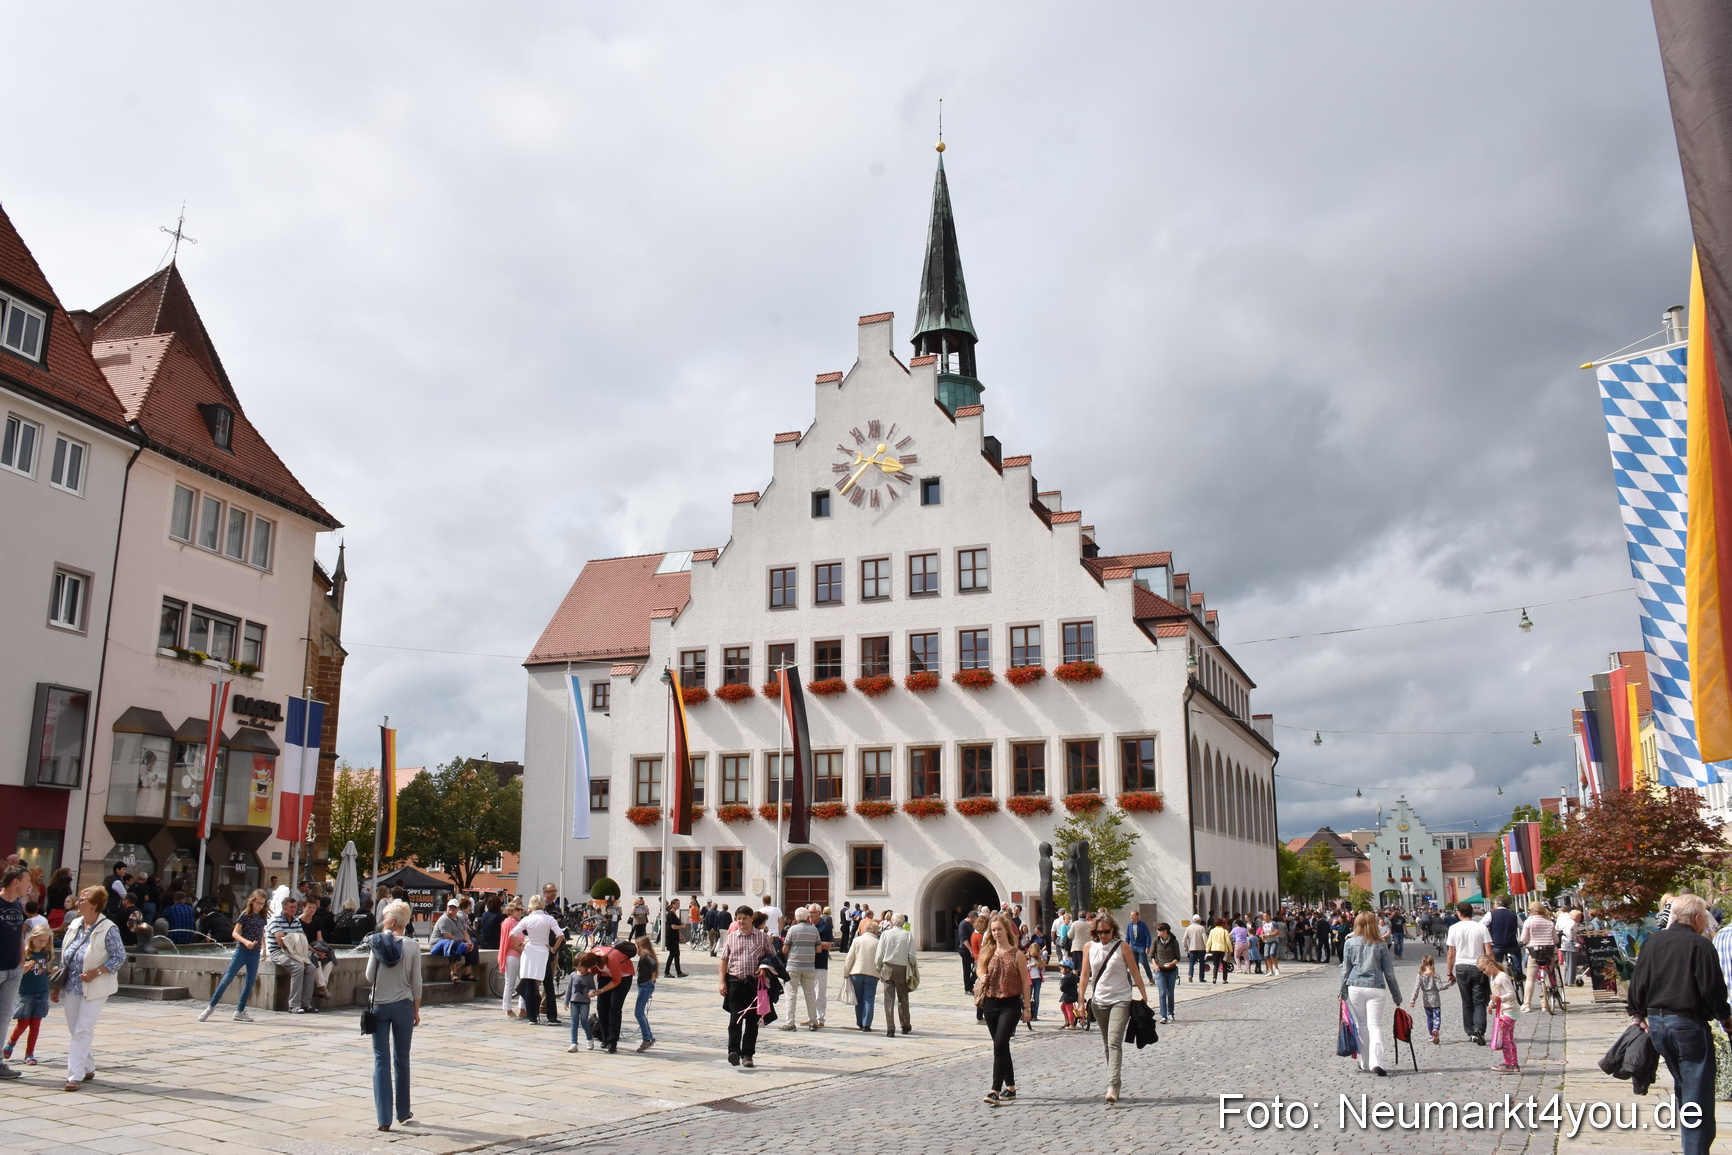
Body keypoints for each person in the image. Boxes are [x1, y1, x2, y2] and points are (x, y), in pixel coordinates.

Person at [1629, 891, 1730, 1155]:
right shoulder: (1700, 945)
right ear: (1696, 918)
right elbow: (1712, 990)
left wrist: (1638, 1015)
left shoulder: (1653, 942)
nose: (1705, 925)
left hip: (1659, 1026)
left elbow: (1638, 982)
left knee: (1684, 1089)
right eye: (1704, 919)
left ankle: (1692, 1145)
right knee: (1697, 1094)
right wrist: (1725, 1017)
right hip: (1688, 1024)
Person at [52, 885, 124, 1091]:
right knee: (75, 1028)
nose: (78, 903)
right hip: (72, 984)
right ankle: (88, 1066)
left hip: (95, 987)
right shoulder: (75, 923)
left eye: (83, 900)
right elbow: (66, 955)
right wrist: (57, 985)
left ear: (94, 905)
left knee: (83, 1029)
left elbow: (119, 957)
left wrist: (97, 971)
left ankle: (74, 1075)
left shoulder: (108, 928)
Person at [1077, 914, 1149, 1104]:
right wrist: (1081, 1001)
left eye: (1106, 931)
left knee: (1114, 1041)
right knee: (1108, 1042)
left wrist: (1143, 994)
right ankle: (1114, 1080)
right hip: (1099, 1001)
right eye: (1099, 932)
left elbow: (1134, 971)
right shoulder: (1089, 947)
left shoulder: (1122, 946)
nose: (1103, 935)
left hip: (1121, 1000)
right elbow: (1084, 975)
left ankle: (1113, 1085)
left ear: (1113, 930)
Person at [367, 900, 423, 1132]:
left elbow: (370, 976)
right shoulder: (412, 946)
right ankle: (402, 1111)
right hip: (404, 1005)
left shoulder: (377, 942)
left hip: (380, 1005)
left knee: (381, 1060)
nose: (381, 921)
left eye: (383, 918)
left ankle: (383, 1118)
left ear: (391, 922)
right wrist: (417, 1010)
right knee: (402, 1058)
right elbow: (416, 981)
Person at [975, 913, 1032, 1106]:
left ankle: (995, 1090)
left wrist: (1027, 1007)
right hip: (990, 1003)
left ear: (1007, 930)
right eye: (993, 930)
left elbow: (1026, 982)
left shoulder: (1017, 954)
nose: (996, 933)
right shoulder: (988, 950)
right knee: (1002, 1045)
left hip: (1010, 1004)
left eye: (999, 929)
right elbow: (979, 968)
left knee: (999, 1044)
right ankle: (1011, 1087)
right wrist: (982, 976)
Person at [1340, 911, 1401, 1077]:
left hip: (1355, 986)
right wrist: (1396, 995)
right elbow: (1389, 972)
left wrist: (1342, 991)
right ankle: (1378, 1062)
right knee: (1374, 1026)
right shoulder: (1380, 944)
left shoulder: (1350, 943)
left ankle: (1364, 1061)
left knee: (1361, 1025)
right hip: (1376, 986)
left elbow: (1346, 969)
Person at [199, 890, 269, 1023]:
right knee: (227, 978)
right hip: (242, 951)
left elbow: (261, 932)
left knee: (249, 983)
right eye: (258, 903)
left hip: (254, 953)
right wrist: (245, 942)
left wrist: (264, 948)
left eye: (263, 903)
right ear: (252, 901)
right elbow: (235, 933)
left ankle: (240, 1011)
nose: (260, 906)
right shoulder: (245, 915)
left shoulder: (262, 916)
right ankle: (210, 1007)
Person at [718, 904, 773, 1067]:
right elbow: (723, 960)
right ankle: (733, 1051)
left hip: (755, 984)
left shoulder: (762, 937)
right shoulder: (731, 937)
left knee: (752, 1021)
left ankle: (748, 1054)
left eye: (744, 918)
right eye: (739, 918)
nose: (741, 921)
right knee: (735, 1018)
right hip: (735, 982)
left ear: (751, 919)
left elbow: (772, 957)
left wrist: (764, 969)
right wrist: (722, 982)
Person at [1445, 899, 1494, 1044]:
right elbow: (1489, 951)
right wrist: (1493, 968)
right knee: (1479, 1001)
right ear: (1472, 913)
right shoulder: (1480, 928)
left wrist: (1449, 973)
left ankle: (1471, 1032)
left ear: (1459, 913)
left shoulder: (1453, 928)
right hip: (1478, 966)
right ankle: (1479, 1029)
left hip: (1461, 966)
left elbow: (1450, 954)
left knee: (1466, 1001)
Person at [4, 923, 51, 1066]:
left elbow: (45, 972)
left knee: (36, 1024)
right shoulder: (26, 953)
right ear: (32, 938)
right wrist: (24, 968)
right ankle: (11, 1043)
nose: (42, 944)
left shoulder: (46, 954)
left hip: (42, 992)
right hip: (26, 993)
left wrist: (53, 973)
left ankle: (30, 1053)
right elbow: (18, 975)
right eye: (39, 940)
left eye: (45, 941)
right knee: (23, 1023)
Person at [512, 895, 562, 1025]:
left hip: (529, 951)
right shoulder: (549, 918)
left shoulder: (527, 919)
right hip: (542, 951)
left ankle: (532, 1017)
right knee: (548, 984)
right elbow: (560, 935)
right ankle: (551, 1016)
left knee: (529, 983)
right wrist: (553, 948)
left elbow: (512, 934)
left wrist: (521, 945)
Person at [0, 865, 29, 1081]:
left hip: (13, 969)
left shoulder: (18, 905)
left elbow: (19, 932)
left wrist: (22, 957)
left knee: (4, 1017)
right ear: (15, 882)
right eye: (27, 882)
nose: (29, 887)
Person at [266, 896, 315, 1014]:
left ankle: (306, 1003)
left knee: (311, 968)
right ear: (284, 908)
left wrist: (291, 939)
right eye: (291, 907)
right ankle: (293, 1005)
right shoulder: (276, 920)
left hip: (294, 952)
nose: (294, 910)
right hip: (278, 952)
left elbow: (302, 938)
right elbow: (281, 942)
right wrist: (293, 939)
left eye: (295, 907)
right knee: (298, 967)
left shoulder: (296, 920)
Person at [874, 908, 916, 1038]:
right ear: (903, 923)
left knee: (889, 999)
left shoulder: (886, 934)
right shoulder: (907, 935)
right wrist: (912, 967)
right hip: (902, 968)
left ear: (892, 922)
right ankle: (905, 1025)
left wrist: (879, 967)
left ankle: (890, 1028)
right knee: (903, 998)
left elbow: (879, 954)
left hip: (887, 967)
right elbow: (912, 956)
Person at [781, 907, 822, 1031]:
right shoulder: (814, 929)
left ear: (796, 917)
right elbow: (819, 949)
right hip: (809, 966)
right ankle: (813, 1021)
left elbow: (785, 949)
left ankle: (790, 1023)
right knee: (810, 994)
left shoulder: (792, 929)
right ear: (807, 917)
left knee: (791, 994)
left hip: (793, 966)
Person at [594, 938, 636, 1053]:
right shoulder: (591, 956)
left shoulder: (612, 958)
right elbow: (588, 973)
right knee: (601, 1007)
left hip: (623, 977)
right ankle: (604, 1037)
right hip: (605, 977)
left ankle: (612, 1041)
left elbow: (616, 981)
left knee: (614, 1008)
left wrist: (601, 990)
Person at [843, 916, 882, 1031]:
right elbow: (880, 959)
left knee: (858, 999)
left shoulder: (857, 940)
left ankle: (860, 1022)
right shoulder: (878, 942)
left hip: (856, 972)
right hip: (872, 974)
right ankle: (867, 1024)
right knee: (869, 998)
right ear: (876, 931)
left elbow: (849, 958)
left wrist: (846, 972)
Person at [1483, 955, 1520, 1071]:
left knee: (1505, 1038)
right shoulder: (1493, 978)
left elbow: (1512, 994)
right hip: (1504, 1011)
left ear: (1491, 964)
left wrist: (1500, 1000)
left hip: (1509, 1011)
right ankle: (1513, 1062)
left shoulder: (1502, 977)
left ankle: (1510, 1063)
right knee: (1508, 1038)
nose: (1484, 972)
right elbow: (1496, 994)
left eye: (1484, 969)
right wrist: (1491, 1004)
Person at [430, 899, 475, 984]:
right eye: (450, 907)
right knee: (453, 943)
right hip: (438, 944)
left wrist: (469, 942)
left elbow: (465, 932)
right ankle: (453, 973)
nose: (451, 909)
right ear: (447, 907)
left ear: (458, 909)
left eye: (454, 907)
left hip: (458, 942)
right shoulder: (444, 919)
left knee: (474, 943)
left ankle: (467, 973)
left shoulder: (460, 919)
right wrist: (462, 943)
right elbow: (447, 936)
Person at [565, 952, 601, 1052]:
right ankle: (574, 1043)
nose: (578, 969)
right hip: (573, 1002)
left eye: (581, 967)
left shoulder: (589, 976)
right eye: (577, 966)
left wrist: (591, 992)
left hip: (584, 1002)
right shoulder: (573, 975)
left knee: (584, 1020)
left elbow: (592, 988)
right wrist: (566, 1002)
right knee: (574, 1022)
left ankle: (589, 1039)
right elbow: (569, 989)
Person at [1410, 953, 1445, 1045]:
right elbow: (1440, 987)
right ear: (1433, 964)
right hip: (1435, 999)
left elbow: (1416, 988)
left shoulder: (1420, 975)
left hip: (1425, 999)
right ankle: (1435, 1029)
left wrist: (1412, 1000)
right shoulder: (1435, 975)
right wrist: (1450, 983)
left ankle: (1430, 1034)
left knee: (1429, 1017)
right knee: (1437, 1016)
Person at [632, 935, 659, 1051]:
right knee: (641, 1012)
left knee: (638, 1012)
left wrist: (652, 978)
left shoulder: (645, 956)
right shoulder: (645, 956)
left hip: (645, 985)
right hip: (645, 985)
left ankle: (646, 1038)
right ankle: (649, 1036)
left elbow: (653, 964)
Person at [499, 899, 525, 1017]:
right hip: (512, 955)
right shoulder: (507, 922)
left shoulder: (517, 922)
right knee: (510, 982)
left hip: (520, 954)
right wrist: (523, 949)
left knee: (523, 981)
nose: (519, 912)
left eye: (521, 909)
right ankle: (508, 1008)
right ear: (511, 910)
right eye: (517, 909)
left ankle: (522, 1008)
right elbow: (510, 941)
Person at [1152, 922, 1181, 1023]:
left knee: (1170, 993)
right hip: (1159, 971)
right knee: (1162, 993)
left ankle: (1170, 1014)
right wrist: (1155, 966)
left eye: (1159, 930)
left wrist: (1171, 964)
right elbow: (1152, 955)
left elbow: (1178, 957)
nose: (1157, 932)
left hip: (1171, 971)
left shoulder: (1173, 941)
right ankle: (1163, 1016)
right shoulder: (1156, 941)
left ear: (1165, 931)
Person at [1125, 911, 1154, 982]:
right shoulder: (1129, 925)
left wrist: (1147, 946)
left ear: (1137, 916)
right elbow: (1127, 937)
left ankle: (1150, 978)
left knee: (1144, 962)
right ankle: (1137, 980)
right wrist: (1126, 946)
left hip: (1141, 947)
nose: (1131, 917)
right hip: (1133, 947)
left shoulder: (1142, 925)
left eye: (1133, 915)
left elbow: (1148, 936)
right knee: (1134, 964)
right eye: (1131, 915)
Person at [662, 900, 686, 979]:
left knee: (676, 955)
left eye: (679, 903)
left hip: (675, 936)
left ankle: (679, 972)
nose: (679, 905)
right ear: (673, 905)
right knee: (672, 954)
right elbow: (673, 926)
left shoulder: (674, 913)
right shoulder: (670, 914)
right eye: (677, 904)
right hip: (671, 937)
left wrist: (681, 936)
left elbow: (676, 928)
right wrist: (682, 927)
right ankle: (666, 972)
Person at [1206, 918, 1232, 983]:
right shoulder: (1224, 931)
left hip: (1214, 949)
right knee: (1225, 964)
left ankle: (1214, 978)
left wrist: (1207, 949)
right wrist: (1230, 950)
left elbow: (1209, 941)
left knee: (1215, 964)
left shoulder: (1212, 931)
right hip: (1223, 949)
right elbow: (1228, 941)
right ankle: (1224, 979)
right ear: (1221, 924)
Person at [1182, 917, 1207, 981]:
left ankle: (1190, 974)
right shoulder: (1201, 928)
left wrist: (1186, 946)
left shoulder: (1188, 928)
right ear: (1199, 921)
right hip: (1201, 948)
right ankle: (1201, 977)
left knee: (1191, 962)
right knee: (1202, 963)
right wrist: (1206, 947)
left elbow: (1184, 939)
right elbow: (1205, 939)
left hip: (1192, 948)